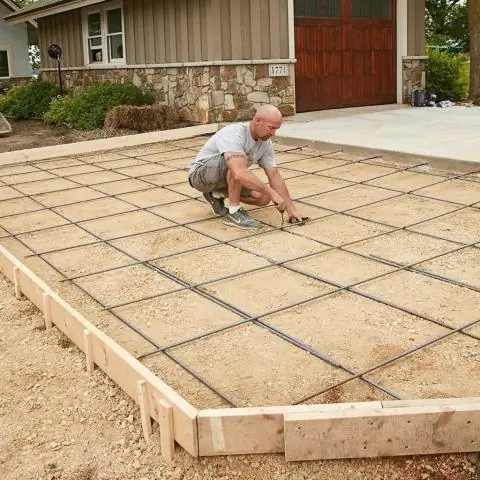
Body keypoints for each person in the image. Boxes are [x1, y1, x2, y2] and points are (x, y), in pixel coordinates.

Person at [188, 105, 304, 230]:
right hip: (199, 176)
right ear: (258, 121)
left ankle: (215, 194)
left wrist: (291, 209)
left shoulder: (265, 144)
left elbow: (274, 176)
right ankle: (234, 212)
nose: (273, 133)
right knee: (236, 164)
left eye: (276, 129)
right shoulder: (234, 133)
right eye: (271, 128)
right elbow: (239, 173)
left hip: (227, 176)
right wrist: (272, 192)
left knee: (263, 198)